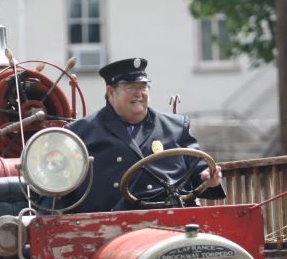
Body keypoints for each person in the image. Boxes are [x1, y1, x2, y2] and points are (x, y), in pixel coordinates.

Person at [58, 57, 225, 213]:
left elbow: (200, 169)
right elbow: (59, 185)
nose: (138, 93)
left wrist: (207, 175)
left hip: (174, 218)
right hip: (109, 223)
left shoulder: (176, 126)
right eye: (130, 87)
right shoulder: (80, 133)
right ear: (111, 92)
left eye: (143, 87)